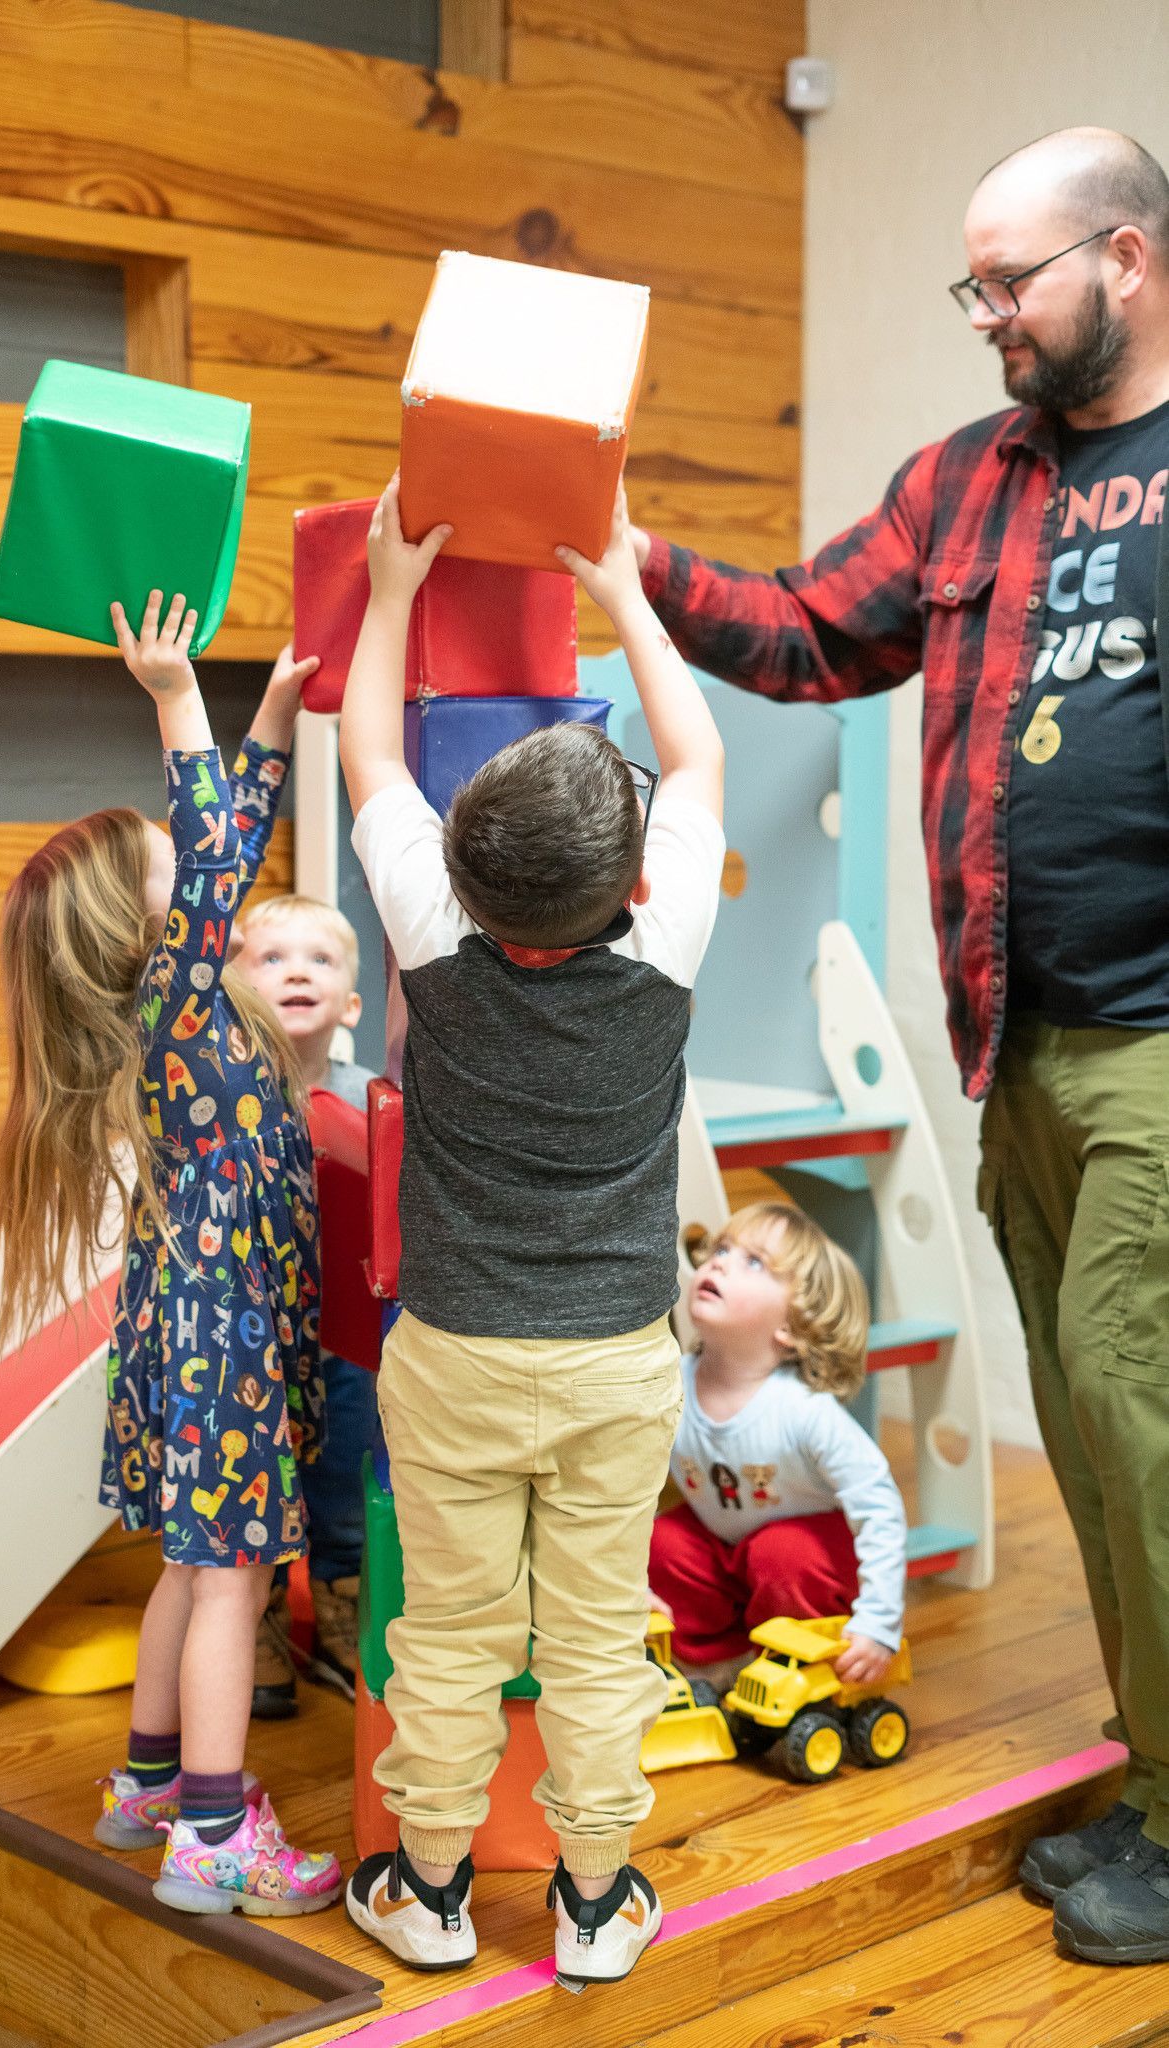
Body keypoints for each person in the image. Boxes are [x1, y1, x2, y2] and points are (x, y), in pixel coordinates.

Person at [632, 126, 1169, 1966]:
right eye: (971, 287)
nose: (986, 318)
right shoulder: (968, 482)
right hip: (1016, 1039)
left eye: (1009, 282)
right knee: (1094, 1428)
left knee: (1121, 1388)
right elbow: (799, 632)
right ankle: (1161, 1775)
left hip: (1164, 1043)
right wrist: (628, 561)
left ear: (1126, 256)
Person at [337, 475, 725, 1983]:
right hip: (617, 1362)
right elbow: (690, 748)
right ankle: (592, 1899)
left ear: (457, 869)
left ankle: (423, 1891)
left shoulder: (431, 937)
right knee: (592, 1635)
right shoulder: (667, 935)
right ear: (632, 878)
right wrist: (625, 589)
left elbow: (371, 747)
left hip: (452, 1357)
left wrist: (386, 590)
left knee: (446, 1631)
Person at [0, 602, 340, 1919]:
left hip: (186, 1337)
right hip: (224, 1345)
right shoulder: (181, 993)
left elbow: (220, 836)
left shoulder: (173, 1001)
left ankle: (146, 1782)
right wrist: (178, 697)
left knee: (193, 1571)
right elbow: (213, 841)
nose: (198, 866)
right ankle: (210, 1835)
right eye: (170, 866)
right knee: (233, 1580)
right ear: (148, 920)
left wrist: (270, 714)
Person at [649, 1204, 905, 1694]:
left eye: (753, 1262)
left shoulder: (804, 1411)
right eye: (720, 1249)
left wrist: (879, 1622)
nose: (719, 1263)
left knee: (778, 1552)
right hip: (725, 1550)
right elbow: (624, 1488)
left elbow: (878, 1504)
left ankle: (788, 1663)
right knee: (664, 1539)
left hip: (806, 1566)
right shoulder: (669, 1385)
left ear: (793, 1324)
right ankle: (717, 1667)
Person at [233, 894, 378, 1712]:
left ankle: (338, 1619)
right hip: (251, 1338)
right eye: (273, 958)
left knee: (345, 1480)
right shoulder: (225, 1096)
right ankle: (252, 1626)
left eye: (319, 960)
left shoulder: (369, 1097)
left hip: (347, 1337)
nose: (297, 971)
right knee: (255, 1482)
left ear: (350, 1003)